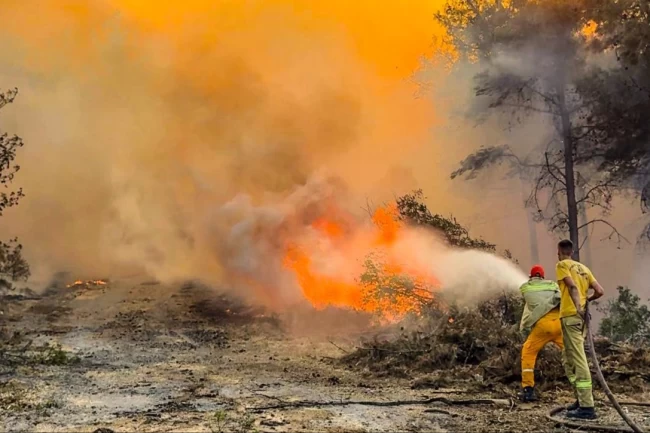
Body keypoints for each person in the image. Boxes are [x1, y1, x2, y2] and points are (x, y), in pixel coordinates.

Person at [556, 239, 605, 420]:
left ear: (559, 252)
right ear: (572, 251)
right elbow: (599, 291)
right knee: (567, 358)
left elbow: (572, 286)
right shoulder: (584, 268)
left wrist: (578, 306)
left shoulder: (562, 265)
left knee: (578, 359)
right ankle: (580, 398)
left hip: (571, 317)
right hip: (580, 319)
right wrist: (587, 301)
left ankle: (587, 407)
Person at [519, 265, 565, 402]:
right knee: (572, 353)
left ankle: (528, 390)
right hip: (559, 324)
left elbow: (529, 303)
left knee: (528, 352)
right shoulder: (553, 286)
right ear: (543, 276)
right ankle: (585, 383)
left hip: (543, 327)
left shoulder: (526, 288)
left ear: (531, 276)